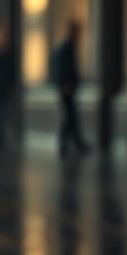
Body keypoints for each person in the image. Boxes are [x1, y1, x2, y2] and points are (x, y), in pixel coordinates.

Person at [51, 19, 89, 157]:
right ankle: (66, 144)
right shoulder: (66, 47)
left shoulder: (69, 46)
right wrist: (65, 84)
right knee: (69, 116)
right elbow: (63, 68)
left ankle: (76, 142)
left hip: (69, 87)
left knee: (71, 116)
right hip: (66, 88)